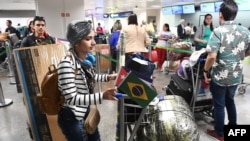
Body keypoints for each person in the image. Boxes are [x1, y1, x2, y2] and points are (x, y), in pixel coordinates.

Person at [57, 20, 117, 141]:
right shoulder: (66, 64)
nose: (94, 42)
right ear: (76, 41)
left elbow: (90, 76)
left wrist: (107, 77)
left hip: (85, 109)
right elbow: (72, 98)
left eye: (93, 38)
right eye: (88, 39)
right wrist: (102, 96)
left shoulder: (82, 60)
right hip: (72, 116)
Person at [203, 1, 250, 141]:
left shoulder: (218, 31)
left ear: (220, 14)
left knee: (219, 105)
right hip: (236, 74)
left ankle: (220, 133)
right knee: (230, 101)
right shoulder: (245, 31)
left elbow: (211, 56)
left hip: (220, 75)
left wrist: (205, 71)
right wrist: (239, 56)